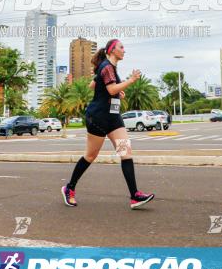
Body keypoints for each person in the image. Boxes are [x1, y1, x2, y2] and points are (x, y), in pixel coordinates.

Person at [61, 39, 154, 209]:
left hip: (113, 118)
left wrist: (118, 90)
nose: (124, 50)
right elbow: (110, 90)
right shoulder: (106, 67)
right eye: (121, 47)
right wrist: (130, 80)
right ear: (112, 51)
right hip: (98, 118)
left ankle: (134, 196)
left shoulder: (109, 68)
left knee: (126, 153)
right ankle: (69, 188)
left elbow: (93, 85)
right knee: (90, 156)